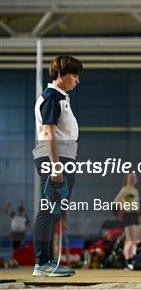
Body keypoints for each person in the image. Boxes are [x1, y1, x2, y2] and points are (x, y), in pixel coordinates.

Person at [32, 55, 82, 277]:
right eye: (74, 75)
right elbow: (48, 131)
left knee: (54, 212)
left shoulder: (61, 97)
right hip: (55, 159)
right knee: (47, 211)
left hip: (64, 158)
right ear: (60, 75)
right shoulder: (52, 96)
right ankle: (43, 262)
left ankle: (48, 262)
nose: (76, 81)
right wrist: (55, 166)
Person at [113, 173, 141, 270]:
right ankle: (128, 261)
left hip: (135, 215)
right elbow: (116, 202)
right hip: (128, 216)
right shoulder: (125, 189)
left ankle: (131, 259)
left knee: (135, 240)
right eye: (131, 177)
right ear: (128, 179)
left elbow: (136, 203)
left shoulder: (135, 190)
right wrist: (126, 208)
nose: (133, 178)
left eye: (135, 177)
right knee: (130, 239)